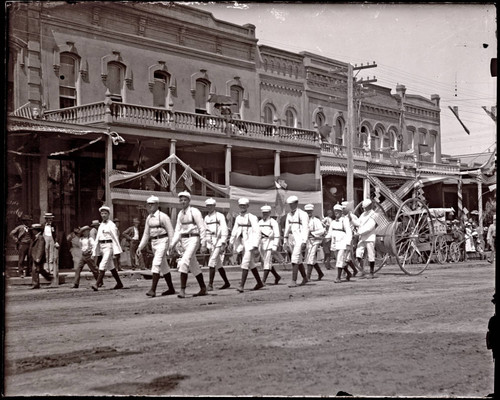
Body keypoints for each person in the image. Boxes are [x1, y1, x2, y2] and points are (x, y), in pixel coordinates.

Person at [168, 191, 208, 298]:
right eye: (181, 200)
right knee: (193, 265)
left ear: (189, 201)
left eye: (185, 200)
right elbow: (177, 230)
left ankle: (182, 290)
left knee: (183, 262)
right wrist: (173, 244)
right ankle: (203, 288)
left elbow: (202, 227)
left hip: (194, 238)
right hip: (184, 240)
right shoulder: (180, 214)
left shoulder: (194, 211)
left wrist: (203, 243)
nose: (183, 202)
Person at [136, 196, 176, 297]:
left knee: (156, 263)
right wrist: (140, 247)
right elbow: (146, 234)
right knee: (164, 266)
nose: (150, 206)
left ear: (157, 205)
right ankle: (171, 288)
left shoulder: (163, 216)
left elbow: (171, 232)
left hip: (163, 241)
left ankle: (153, 290)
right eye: (148, 204)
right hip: (154, 242)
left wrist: (172, 246)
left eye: (152, 204)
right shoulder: (148, 218)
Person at [228, 198, 264, 293]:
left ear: (247, 206)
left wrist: (256, 246)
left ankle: (241, 285)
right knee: (251, 264)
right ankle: (259, 282)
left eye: (244, 206)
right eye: (241, 206)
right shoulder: (238, 218)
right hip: (242, 242)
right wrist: (231, 242)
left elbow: (257, 232)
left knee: (245, 262)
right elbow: (235, 230)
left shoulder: (252, 217)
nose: (242, 207)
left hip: (251, 243)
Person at [91, 205, 124, 291]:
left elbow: (115, 238)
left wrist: (116, 251)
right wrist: (95, 249)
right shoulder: (101, 225)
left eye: (105, 213)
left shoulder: (111, 225)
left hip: (109, 246)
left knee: (103, 264)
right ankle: (119, 283)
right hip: (102, 246)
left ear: (109, 214)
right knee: (111, 266)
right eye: (102, 213)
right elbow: (98, 237)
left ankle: (97, 284)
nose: (103, 215)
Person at [204, 198, 231, 291]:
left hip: (219, 241)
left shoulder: (219, 216)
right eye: (208, 206)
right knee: (218, 264)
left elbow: (224, 229)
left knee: (212, 262)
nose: (209, 207)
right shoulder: (206, 218)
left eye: (211, 205)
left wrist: (223, 242)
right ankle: (227, 283)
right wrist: (204, 242)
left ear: (214, 206)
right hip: (210, 242)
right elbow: (204, 230)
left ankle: (210, 284)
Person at [283, 195, 309, 287]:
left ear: (297, 203)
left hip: (300, 238)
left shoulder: (303, 214)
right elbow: (287, 228)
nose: (291, 206)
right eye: (290, 204)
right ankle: (305, 278)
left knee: (294, 258)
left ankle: (293, 280)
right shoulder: (289, 215)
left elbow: (306, 228)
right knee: (298, 260)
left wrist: (304, 241)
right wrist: (285, 240)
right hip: (291, 238)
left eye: (293, 204)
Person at [326, 204, 353, 283]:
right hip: (334, 243)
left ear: (341, 212)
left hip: (342, 242)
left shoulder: (345, 220)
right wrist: (326, 238)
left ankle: (338, 277)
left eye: (338, 211)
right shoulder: (333, 222)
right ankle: (348, 273)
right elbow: (330, 232)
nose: (336, 213)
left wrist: (348, 243)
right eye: (335, 211)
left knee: (340, 259)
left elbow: (349, 232)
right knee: (339, 259)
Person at [352, 199, 377, 279]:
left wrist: (358, 233)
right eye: (364, 207)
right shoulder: (363, 214)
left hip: (370, 237)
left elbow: (369, 228)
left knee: (371, 254)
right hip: (362, 237)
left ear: (370, 206)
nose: (364, 209)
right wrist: (351, 219)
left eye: (365, 207)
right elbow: (358, 223)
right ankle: (360, 269)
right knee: (358, 252)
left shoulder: (374, 215)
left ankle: (371, 272)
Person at [258, 204, 282, 285]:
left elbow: (277, 234)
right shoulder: (259, 222)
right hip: (262, 244)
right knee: (266, 262)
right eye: (263, 213)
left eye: (266, 213)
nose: (265, 214)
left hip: (270, 243)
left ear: (269, 213)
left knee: (267, 261)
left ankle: (263, 281)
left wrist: (275, 245)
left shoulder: (273, 222)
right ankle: (277, 276)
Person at [304, 203, 325, 281]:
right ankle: (320, 273)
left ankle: (308, 276)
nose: (308, 213)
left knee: (311, 257)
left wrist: (313, 233)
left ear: (312, 211)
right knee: (311, 258)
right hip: (307, 241)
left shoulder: (316, 220)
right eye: (307, 211)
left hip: (315, 240)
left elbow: (322, 230)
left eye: (310, 211)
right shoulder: (303, 221)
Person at [29, 223, 53, 289]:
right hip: (34, 256)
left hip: (37, 257)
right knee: (39, 269)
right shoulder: (35, 237)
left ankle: (35, 284)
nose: (33, 231)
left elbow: (40, 248)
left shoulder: (40, 238)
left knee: (35, 270)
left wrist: (38, 257)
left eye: (34, 230)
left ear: (37, 230)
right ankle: (49, 277)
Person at [341, 201, 359, 276]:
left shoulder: (353, 216)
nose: (342, 210)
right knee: (344, 255)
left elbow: (358, 225)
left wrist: (356, 237)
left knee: (348, 255)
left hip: (351, 237)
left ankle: (346, 271)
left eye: (344, 209)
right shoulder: (341, 217)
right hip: (342, 238)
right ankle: (351, 270)